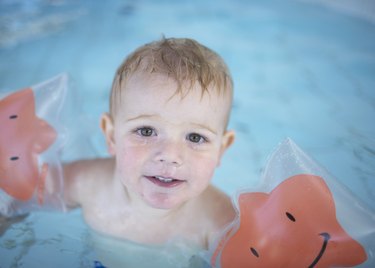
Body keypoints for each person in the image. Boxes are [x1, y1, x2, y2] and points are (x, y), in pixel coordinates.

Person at [63, 37, 236, 250]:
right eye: (146, 131)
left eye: (195, 137)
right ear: (111, 136)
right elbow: (17, 198)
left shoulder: (221, 224)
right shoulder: (86, 183)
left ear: (221, 149)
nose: (170, 155)